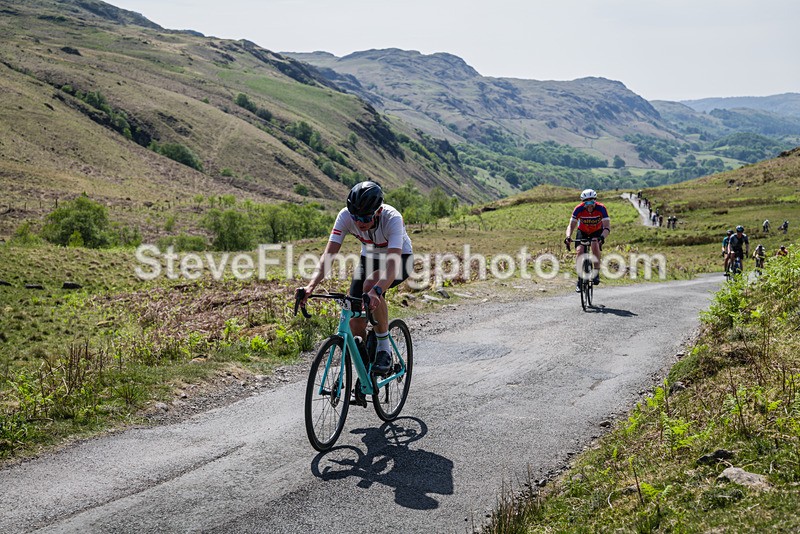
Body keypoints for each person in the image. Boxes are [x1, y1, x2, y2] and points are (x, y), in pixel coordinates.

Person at [299, 181, 413, 375]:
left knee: (371, 285)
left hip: (400, 259)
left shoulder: (392, 218)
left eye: (366, 217)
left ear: (378, 211)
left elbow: (393, 264)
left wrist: (377, 290)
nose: (360, 222)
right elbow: (328, 256)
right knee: (354, 315)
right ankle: (365, 367)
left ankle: (384, 348)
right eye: (356, 217)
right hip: (369, 258)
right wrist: (310, 286)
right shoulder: (344, 217)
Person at [565, 189, 610, 291]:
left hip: (597, 231)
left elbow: (607, 227)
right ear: (583, 202)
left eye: (592, 201)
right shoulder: (578, 209)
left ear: (595, 201)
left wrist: (602, 237)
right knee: (580, 252)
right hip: (583, 231)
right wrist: (568, 237)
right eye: (586, 202)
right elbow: (571, 226)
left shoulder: (601, 208)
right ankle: (580, 279)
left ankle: (596, 272)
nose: (589, 205)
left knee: (594, 244)